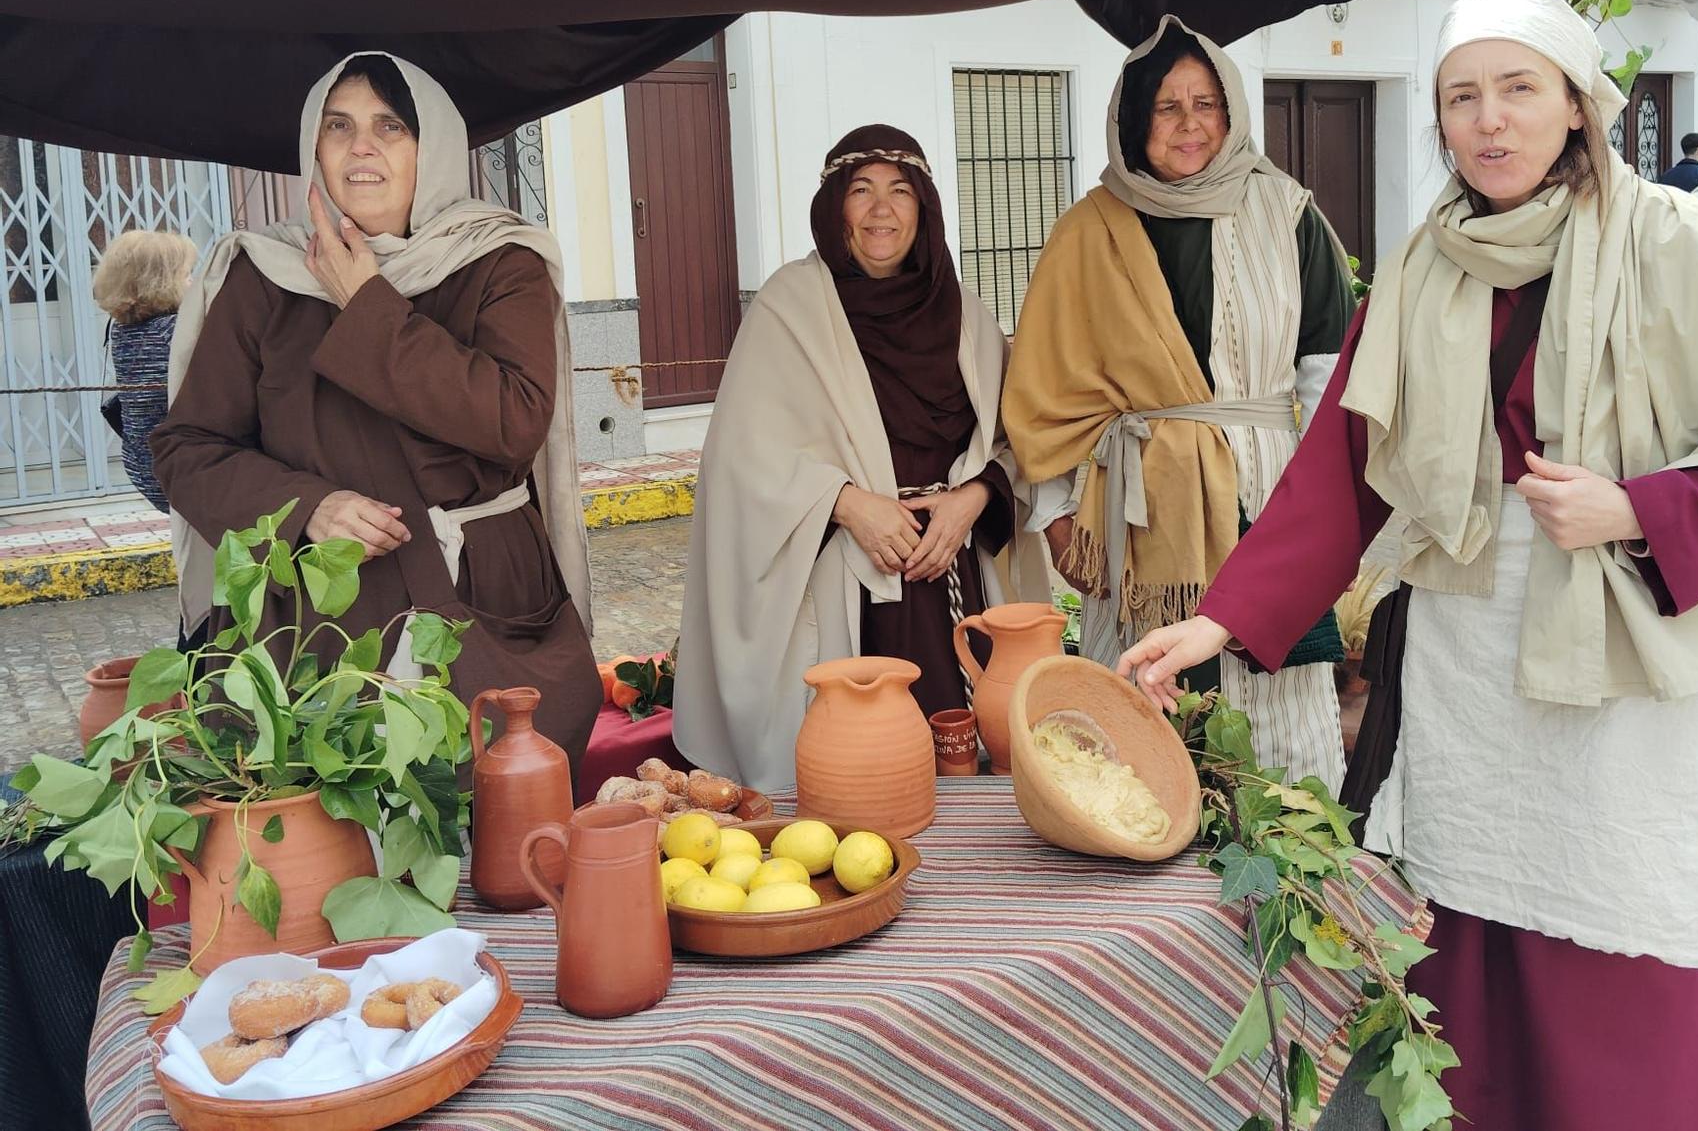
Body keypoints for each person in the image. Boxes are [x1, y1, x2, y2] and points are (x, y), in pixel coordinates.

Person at [1117, 0, 1698, 1129]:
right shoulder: (1419, 267)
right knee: (1470, 944)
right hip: (1463, 651)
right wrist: (1217, 620)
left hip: (1616, 661)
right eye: (1460, 98)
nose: (1488, 123)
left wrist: (1634, 510)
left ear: (1577, 103)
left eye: (1516, 90)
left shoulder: (1696, 255)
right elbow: (1340, 465)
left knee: (1616, 949)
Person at [150, 53, 600, 773]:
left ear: (433, 149)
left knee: (498, 826)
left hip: (481, 605)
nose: (362, 147)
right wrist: (307, 508)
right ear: (314, 149)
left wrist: (367, 303)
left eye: (390, 126)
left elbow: (514, 421)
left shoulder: (497, 260)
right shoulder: (262, 274)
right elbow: (189, 447)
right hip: (312, 623)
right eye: (339, 127)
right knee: (326, 840)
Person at [1003, 18, 1355, 784]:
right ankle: (1152, 858)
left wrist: (1323, 517)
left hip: (1266, 493)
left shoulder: (1290, 215)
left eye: (1206, 103)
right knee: (1142, 717)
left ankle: (1286, 860)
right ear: (1134, 122)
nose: (1190, 125)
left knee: (1275, 712)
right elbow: (1049, 397)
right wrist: (1059, 518)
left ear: (1231, 113)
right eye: (1167, 107)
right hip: (1137, 511)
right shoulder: (1088, 232)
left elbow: (1328, 382)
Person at [673, 126, 1048, 791]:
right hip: (848, 573)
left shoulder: (965, 313)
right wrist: (849, 505)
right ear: (834, 207)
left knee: (967, 757)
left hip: (954, 568)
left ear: (923, 208)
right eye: (862, 190)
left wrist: (973, 501)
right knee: (859, 774)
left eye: (900, 191)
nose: (882, 209)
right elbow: (741, 456)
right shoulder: (789, 305)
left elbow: (1015, 439)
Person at [91, 230, 197, 513]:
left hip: (140, 461)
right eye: (187, 274)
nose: (194, 282)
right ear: (162, 283)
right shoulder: (173, 332)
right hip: (178, 466)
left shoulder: (121, 330)